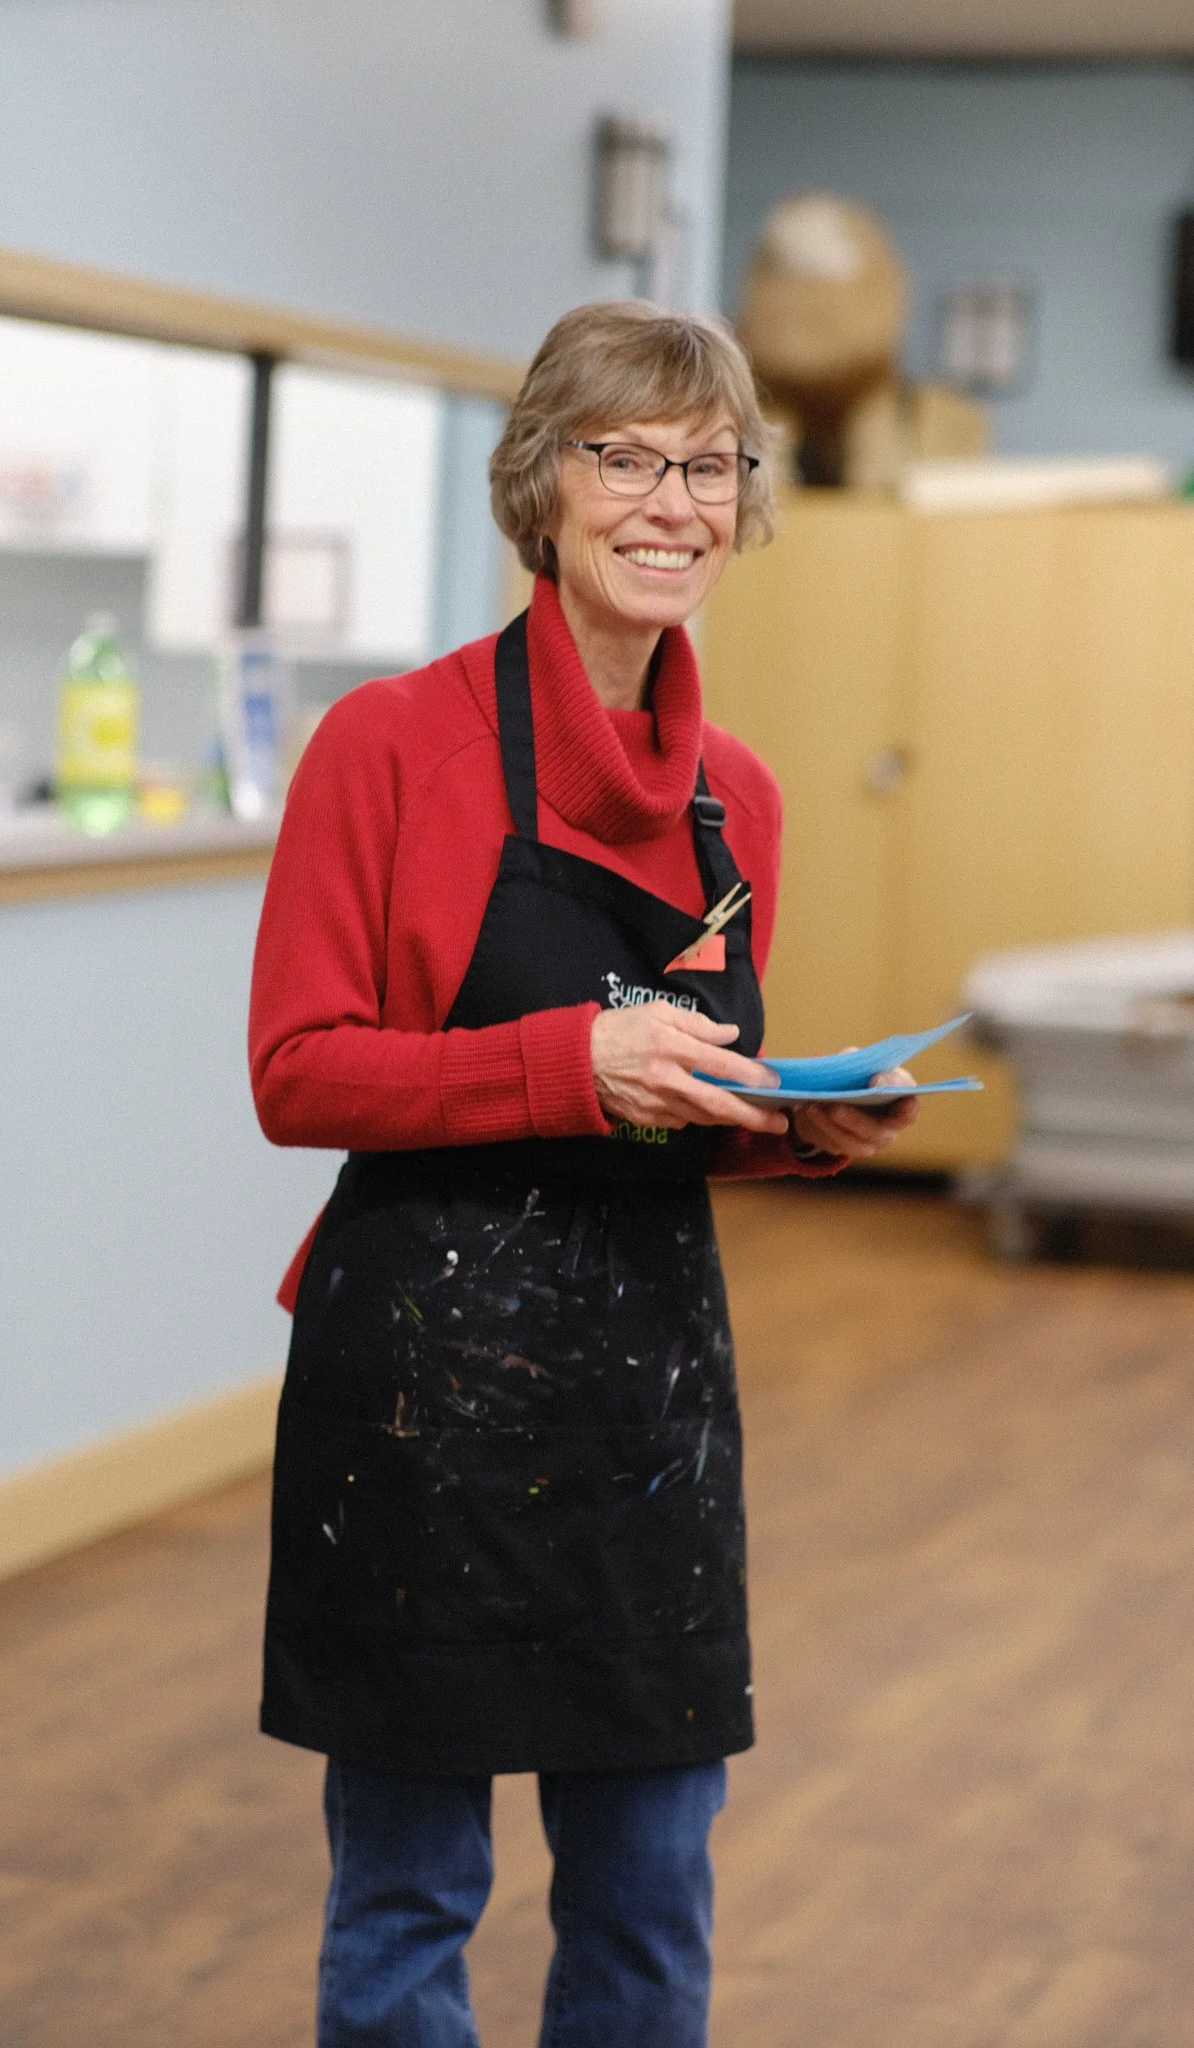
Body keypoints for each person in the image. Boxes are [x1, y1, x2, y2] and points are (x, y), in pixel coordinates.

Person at [248, 299, 918, 2047]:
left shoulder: (740, 799)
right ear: (540, 486)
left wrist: (790, 1127)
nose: (672, 504)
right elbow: (296, 1072)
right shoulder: (388, 746)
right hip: (422, 1403)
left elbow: (663, 1106)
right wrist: (573, 1060)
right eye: (626, 459)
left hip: (648, 1400)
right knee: (410, 1899)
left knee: (648, 1895)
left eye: (711, 466)